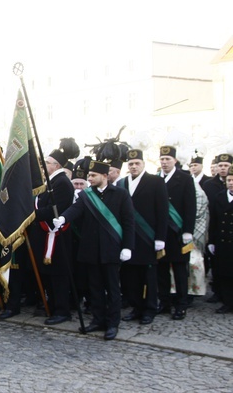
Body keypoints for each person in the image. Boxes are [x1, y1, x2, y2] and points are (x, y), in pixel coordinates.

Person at [53, 160, 135, 340]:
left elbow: (129, 222)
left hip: (111, 248)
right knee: (94, 287)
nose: (89, 179)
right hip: (91, 248)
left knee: (113, 288)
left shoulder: (121, 194)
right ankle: (98, 320)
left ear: (104, 176)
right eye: (89, 175)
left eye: (92, 176)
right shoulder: (86, 195)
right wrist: (63, 218)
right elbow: (75, 210)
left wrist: (128, 246)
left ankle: (113, 323)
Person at [117, 149, 169, 325]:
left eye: (136, 163)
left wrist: (160, 238)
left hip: (149, 237)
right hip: (129, 239)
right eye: (130, 164)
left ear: (143, 164)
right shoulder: (122, 183)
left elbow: (163, 212)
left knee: (149, 277)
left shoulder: (156, 182)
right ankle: (136, 307)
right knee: (131, 277)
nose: (133, 166)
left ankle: (150, 309)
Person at [29, 148, 75, 325]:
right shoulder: (50, 182)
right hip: (44, 234)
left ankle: (62, 310)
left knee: (58, 275)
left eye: (47, 163)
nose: (44, 165)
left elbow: (56, 209)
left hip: (57, 235)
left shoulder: (62, 182)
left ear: (56, 165)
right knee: (48, 274)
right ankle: (52, 304)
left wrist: (32, 214)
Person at [156, 145, 196, 320]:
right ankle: (164, 302)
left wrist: (188, 230)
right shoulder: (156, 179)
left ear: (175, 161)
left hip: (178, 232)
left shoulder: (185, 178)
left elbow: (190, 207)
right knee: (161, 269)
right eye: (162, 159)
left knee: (180, 270)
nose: (164, 163)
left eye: (168, 159)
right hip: (161, 232)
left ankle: (181, 304)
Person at [207, 166, 233, 314]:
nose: (231, 183)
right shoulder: (220, 197)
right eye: (229, 180)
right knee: (224, 274)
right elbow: (214, 221)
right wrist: (211, 241)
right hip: (222, 242)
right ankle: (227, 302)